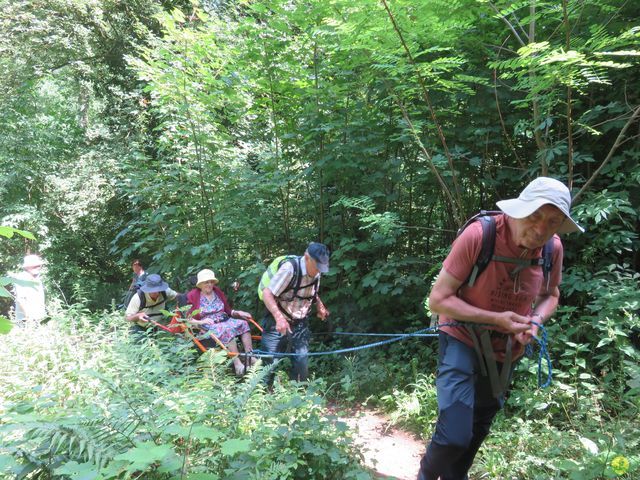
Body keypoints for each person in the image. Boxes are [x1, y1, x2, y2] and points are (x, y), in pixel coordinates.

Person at [418, 177, 584, 480]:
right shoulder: (481, 235)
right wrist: (496, 319)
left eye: (553, 222)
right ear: (519, 210)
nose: (541, 229)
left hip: (506, 348)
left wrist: (534, 321)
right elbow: (438, 300)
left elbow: (551, 295)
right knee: (455, 433)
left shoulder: (552, 248)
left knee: (479, 424)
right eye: (535, 216)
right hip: (461, 336)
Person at [260, 242, 331, 385]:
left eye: (321, 268)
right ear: (306, 258)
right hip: (277, 321)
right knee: (269, 363)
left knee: (301, 362)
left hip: (300, 321)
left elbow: (310, 291)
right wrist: (279, 318)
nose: (319, 271)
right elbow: (267, 294)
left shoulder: (317, 272)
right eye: (317, 267)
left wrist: (319, 305)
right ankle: (261, 400)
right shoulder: (289, 269)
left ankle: (297, 399)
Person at [185, 269, 255, 375]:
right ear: (200, 284)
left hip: (224, 320)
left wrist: (239, 312)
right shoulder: (193, 295)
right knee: (226, 329)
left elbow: (228, 310)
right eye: (206, 282)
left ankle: (250, 357)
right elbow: (188, 319)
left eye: (211, 282)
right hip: (206, 326)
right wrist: (201, 322)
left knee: (243, 323)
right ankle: (237, 365)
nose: (209, 284)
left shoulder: (217, 291)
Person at [125, 273, 178, 338]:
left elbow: (179, 297)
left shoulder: (165, 291)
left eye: (158, 289)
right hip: (139, 328)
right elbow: (128, 318)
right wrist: (138, 316)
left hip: (155, 327)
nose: (157, 293)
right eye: (153, 291)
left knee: (154, 347)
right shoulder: (138, 297)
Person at [13, 254, 47, 328]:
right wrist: (29, 318)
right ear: (27, 267)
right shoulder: (22, 278)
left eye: (39, 266)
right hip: (26, 321)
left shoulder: (37, 279)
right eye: (35, 266)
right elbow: (21, 299)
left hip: (38, 319)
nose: (38, 268)